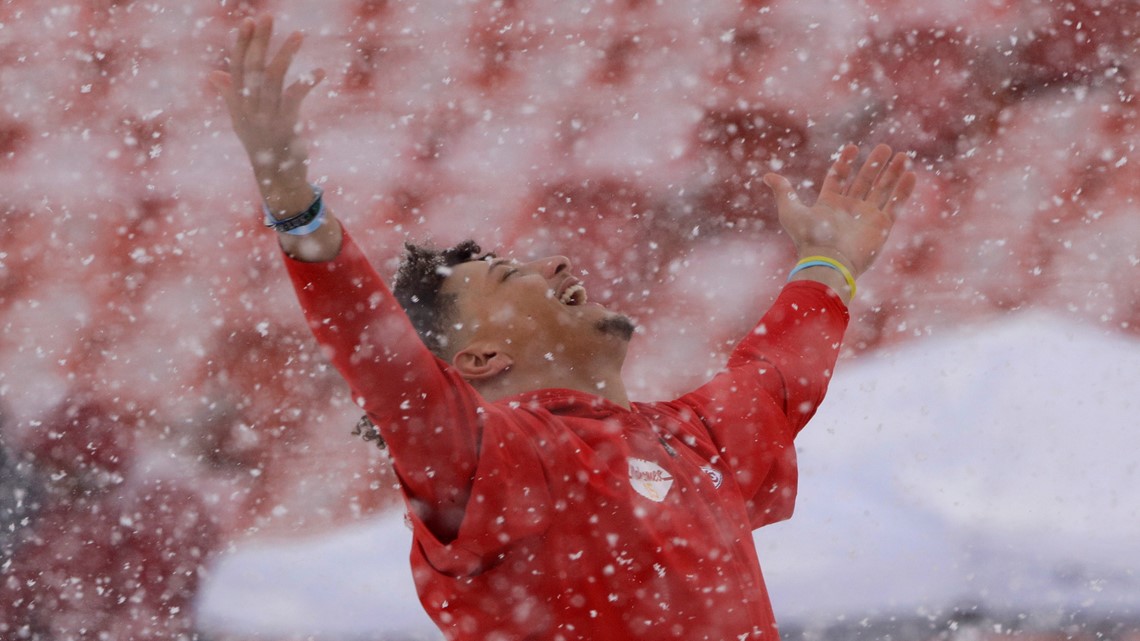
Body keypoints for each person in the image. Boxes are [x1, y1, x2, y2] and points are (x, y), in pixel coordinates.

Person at [210, 15, 916, 641]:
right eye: (512, 277)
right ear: (479, 356)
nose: (552, 262)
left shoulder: (689, 438)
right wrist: (294, 206)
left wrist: (830, 260)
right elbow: (382, 362)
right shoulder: (501, 460)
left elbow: (776, 376)